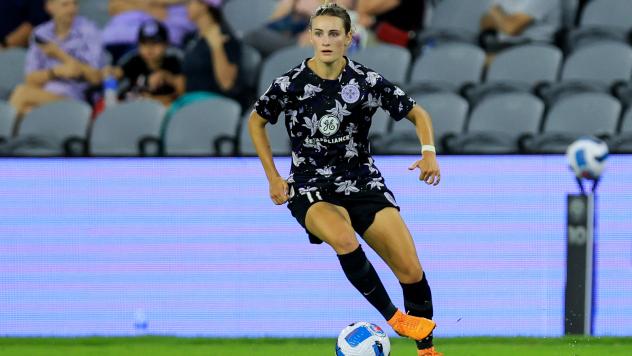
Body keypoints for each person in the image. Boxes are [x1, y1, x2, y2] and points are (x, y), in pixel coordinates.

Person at [248, 3, 442, 356]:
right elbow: (256, 121)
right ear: (310, 37)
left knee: (411, 271)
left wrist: (428, 150)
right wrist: (274, 178)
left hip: (361, 182)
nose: (326, 41)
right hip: (309, 186)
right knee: (344, 238)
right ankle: (395, 318)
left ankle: (426, 350)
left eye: (334, 33)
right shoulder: (289, 84)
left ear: (348, 38)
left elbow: (418, 113)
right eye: (319, 33)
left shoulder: (365, 81)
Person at [9, 0, 102, 119]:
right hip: (43, 96)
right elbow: (30, 79)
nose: (72, 9)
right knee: (26, 109)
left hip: (75, 100)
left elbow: (96, 77)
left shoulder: (89, 30)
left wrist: (59, 54)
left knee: (22, 94)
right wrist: (56, 72)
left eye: (75, 4)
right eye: (65, 4)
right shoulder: (40, 33)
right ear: (49, 7)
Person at [104, 19, 185, 106]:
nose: (149, 48)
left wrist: (168, 77)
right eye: (144, 43)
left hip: (164, 108)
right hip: (136, 108)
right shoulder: (134, 60)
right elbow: (114, 74)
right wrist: (110, 73)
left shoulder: (173, 60)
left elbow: (183, 91)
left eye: (155, 43)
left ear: (166, 44)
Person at [480, 0, 562, 52]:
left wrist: (496, 11)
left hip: (536, 48)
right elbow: (487, 23)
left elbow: (510, 28)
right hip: (505, 46)